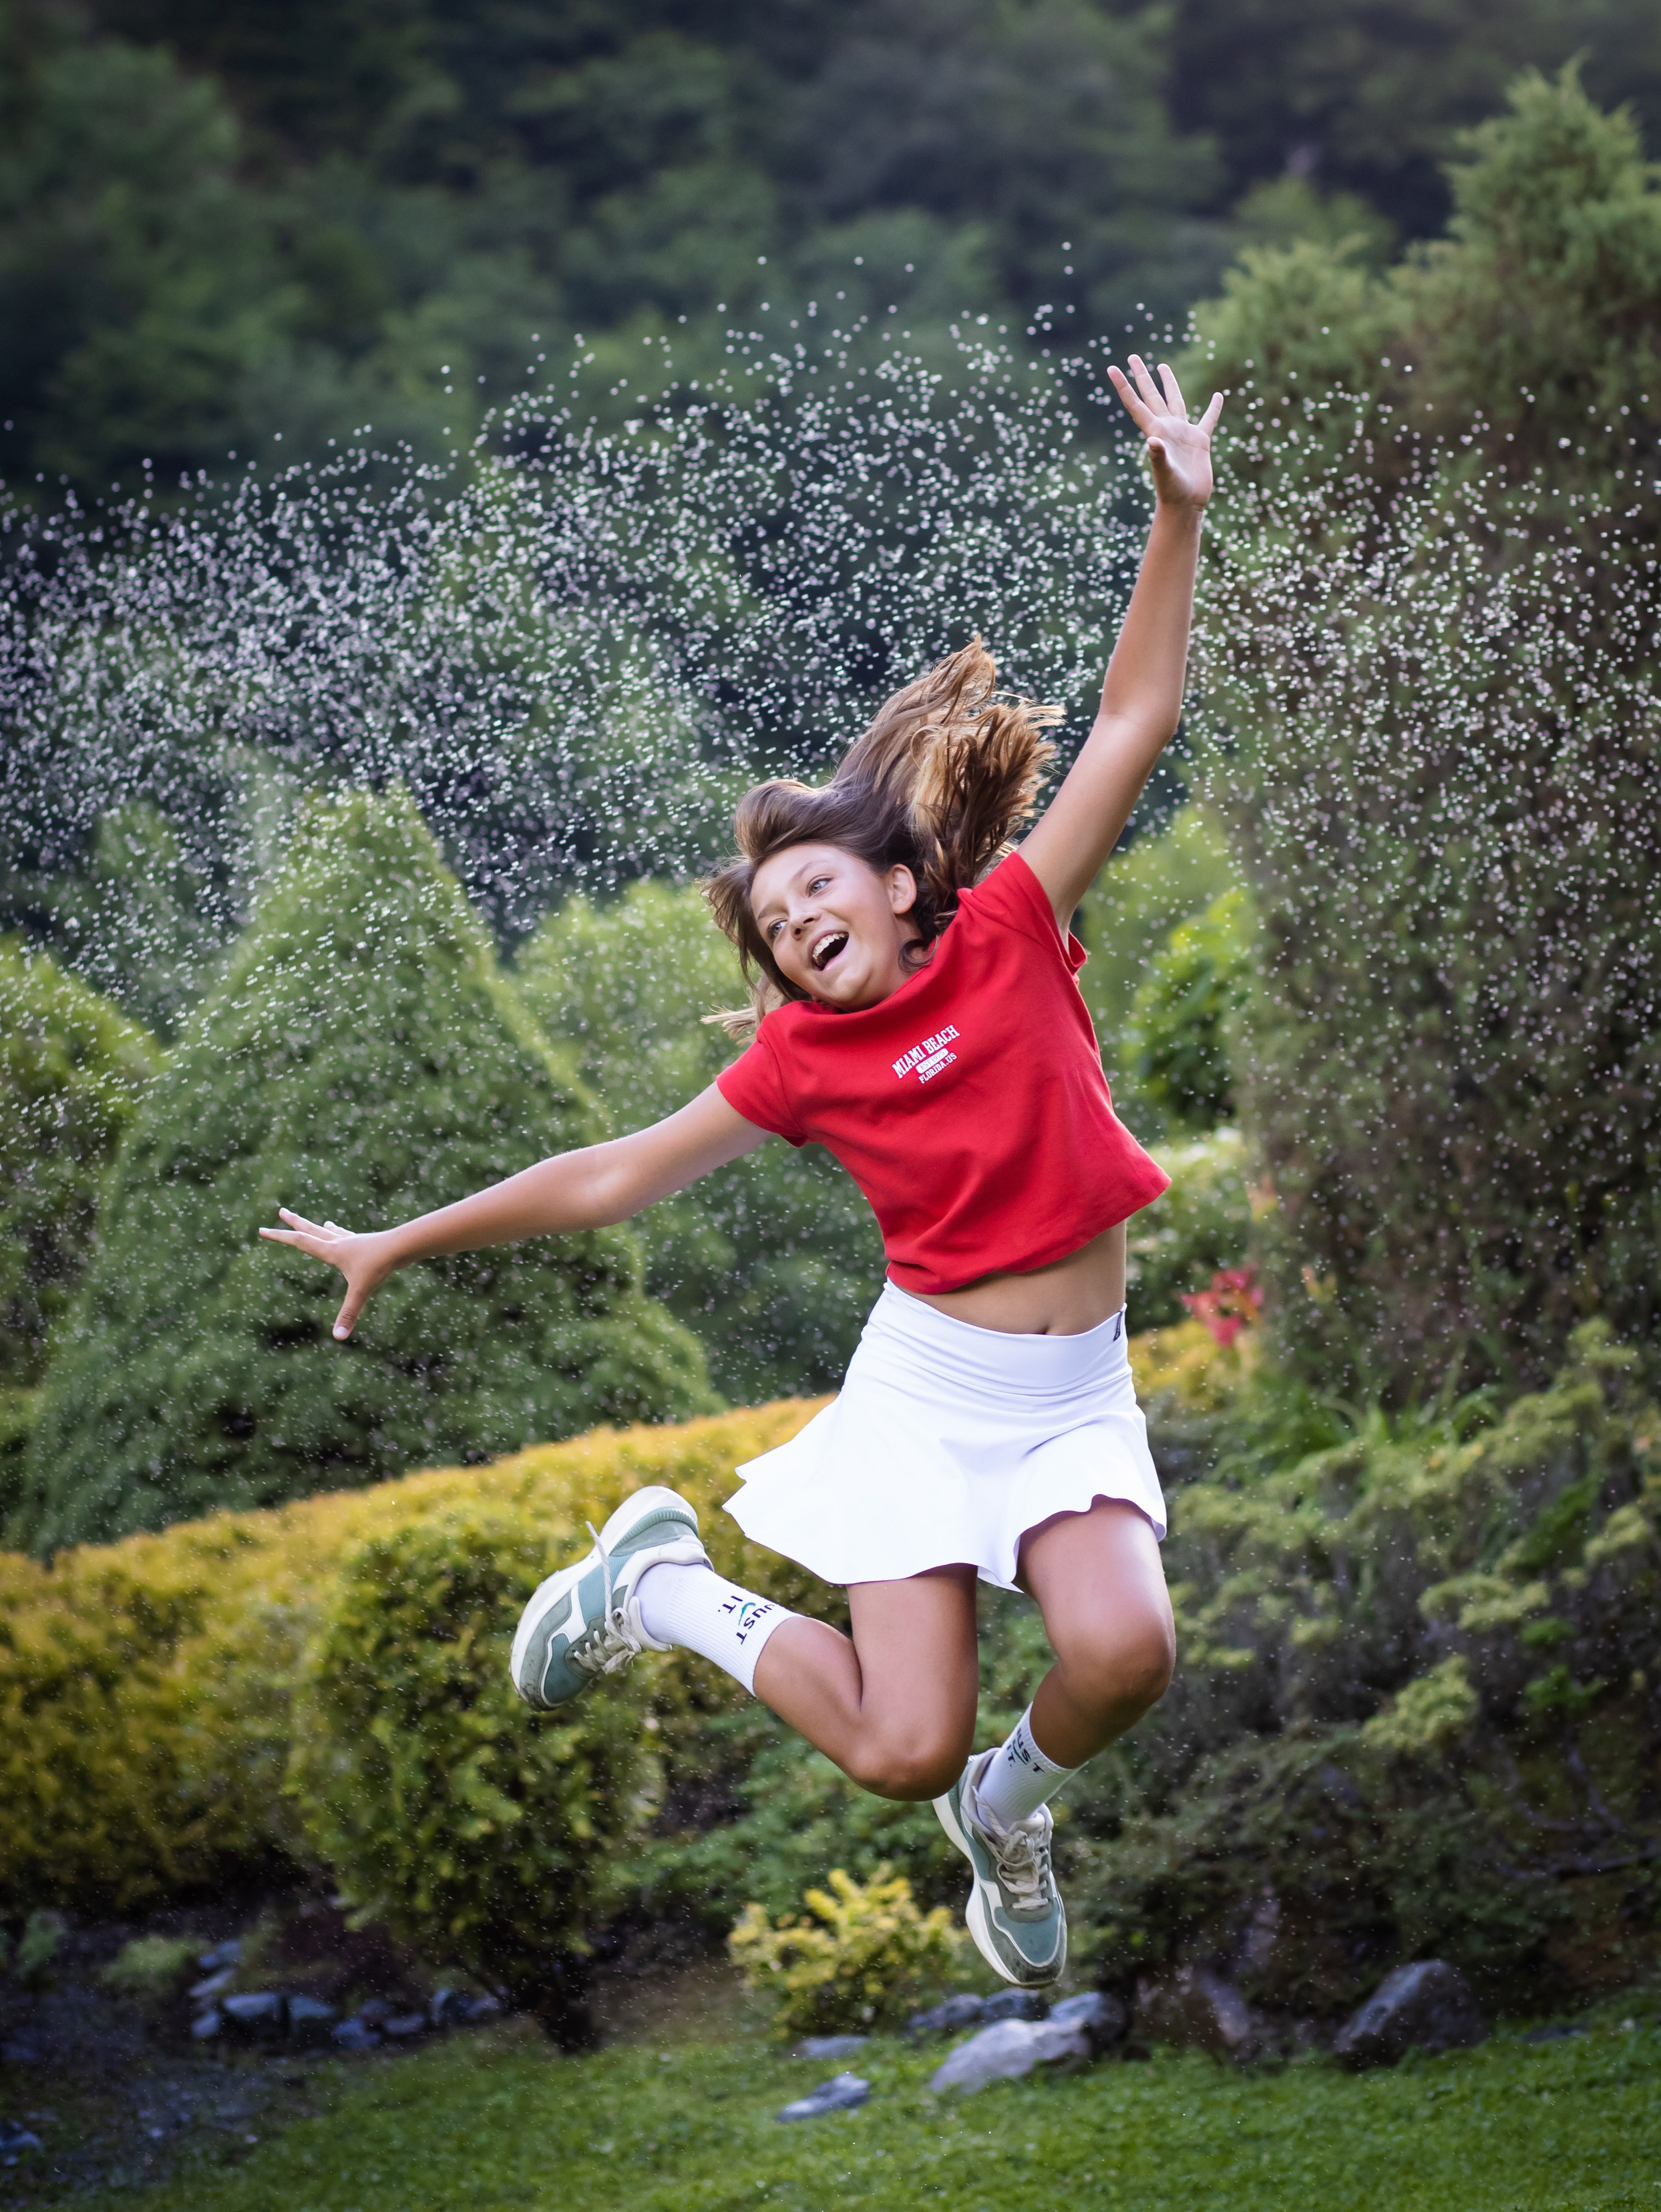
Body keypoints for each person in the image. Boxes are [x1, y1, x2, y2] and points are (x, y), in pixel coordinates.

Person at [261, 355, 1221, 1988]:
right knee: (893, 1745)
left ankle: (1013, 1808)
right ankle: (661, 1591)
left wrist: (1174, 513)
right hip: (931, 1392)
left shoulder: (1009, 927)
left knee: (1124, 1652)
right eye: (773, 929)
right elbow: (608, 1175)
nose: (795, 930)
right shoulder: (798, 1062)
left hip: (1074, 1392)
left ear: (904, 884)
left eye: (816, 896)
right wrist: (394, 1242)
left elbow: (1134, 713)